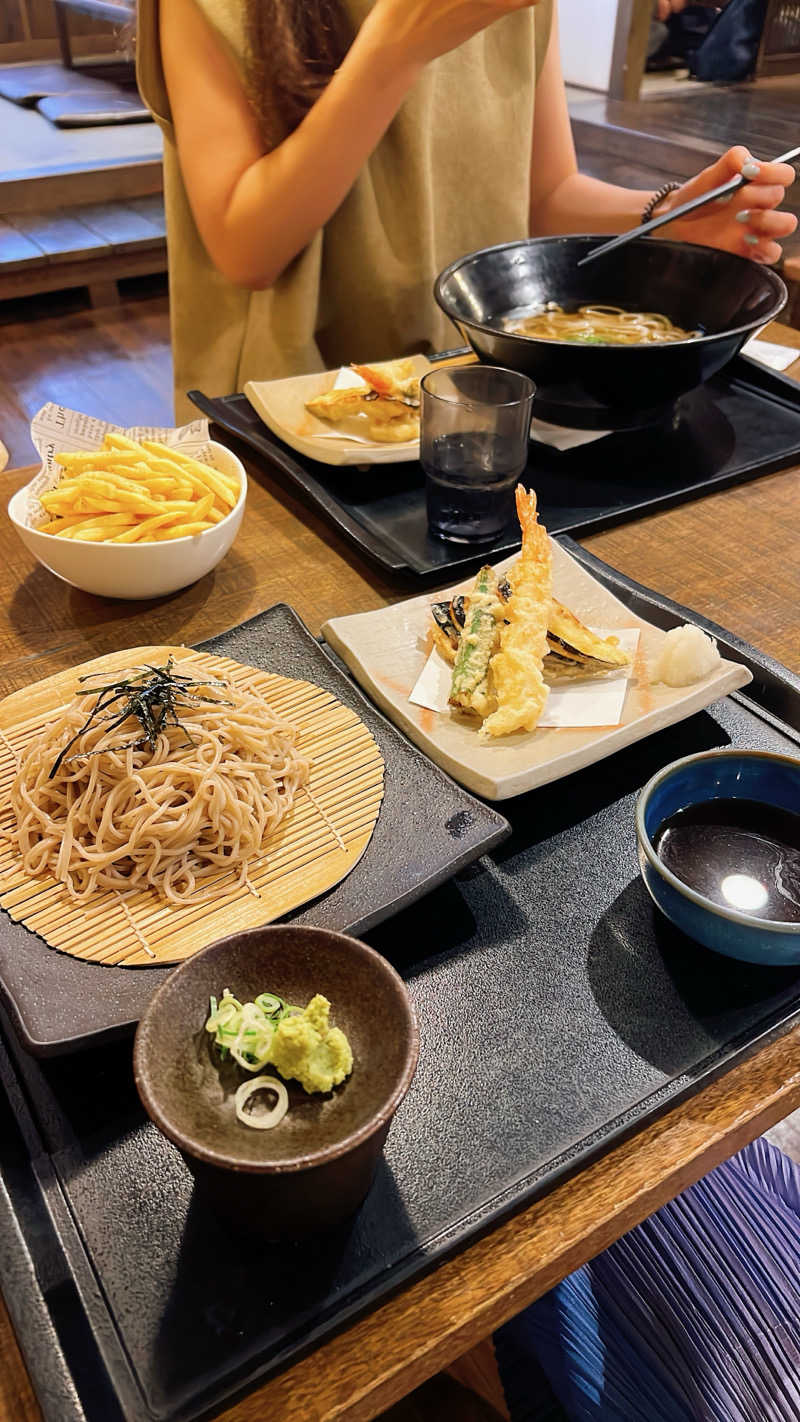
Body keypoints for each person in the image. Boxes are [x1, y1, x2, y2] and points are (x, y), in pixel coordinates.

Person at [136, 0, 797, 420]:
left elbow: (543, 197)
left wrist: (661, 219)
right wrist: (397, 43)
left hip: (477, 394)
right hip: (293, 417)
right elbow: (246, 250)